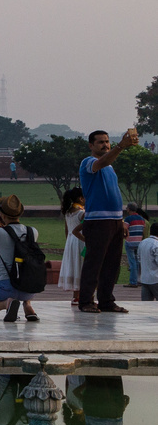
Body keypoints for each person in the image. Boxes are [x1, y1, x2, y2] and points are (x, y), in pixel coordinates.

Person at [78, 128, 139, 313]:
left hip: (114, 220)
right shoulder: (89, 162)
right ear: (91, 145)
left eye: (107, 141)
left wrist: (120, 221)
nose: (105, 145)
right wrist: (121, 146)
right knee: (94, 262)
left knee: (112, 264)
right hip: (98, 221)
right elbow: (102, 162)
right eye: (100, 142)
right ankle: (86, 301)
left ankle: (106, 301)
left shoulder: (110, 166)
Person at [58, 187, 85, 305]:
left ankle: (76, 296)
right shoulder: (82, 213)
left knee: (75, 266)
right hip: (80, 241)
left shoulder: (68, 212)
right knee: (82, 266)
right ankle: (83, 295)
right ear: (80, 198)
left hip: (70, 241)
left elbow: (66, 230)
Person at [123, 204, 147, 289]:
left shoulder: (128, 219)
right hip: (139, 243)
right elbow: (143, 230)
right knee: (137, 261)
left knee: (132, 262)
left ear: (129, 209)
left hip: (130, 242)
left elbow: (124, 229)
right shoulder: (142, 219)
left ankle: (133, 282)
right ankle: (138, 280)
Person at [138, 223, 158, 301]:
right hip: (156, 279)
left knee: (146, 304)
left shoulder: (142, 242)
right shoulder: (156, 244)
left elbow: (139, 258)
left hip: (144, 278)